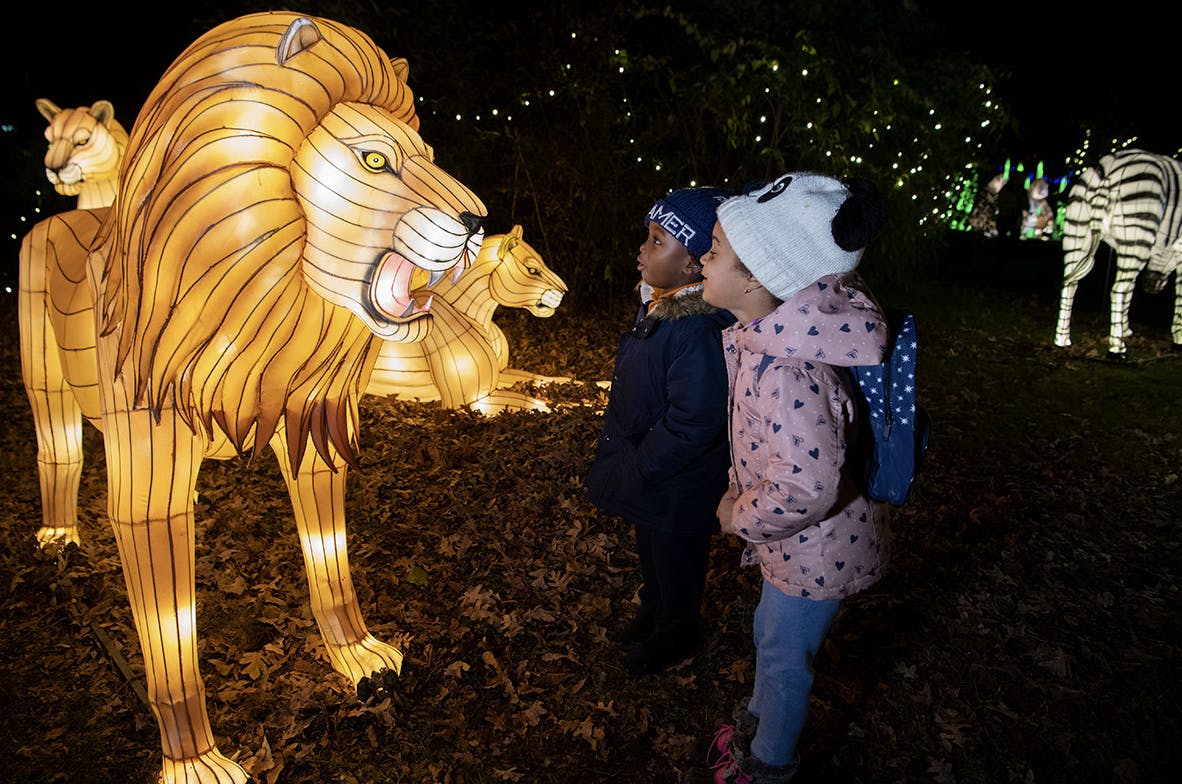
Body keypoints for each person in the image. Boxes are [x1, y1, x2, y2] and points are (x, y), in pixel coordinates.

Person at [688, 173, 891, 783]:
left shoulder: (786, 370)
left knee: (782, 659)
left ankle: (768, 764)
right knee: (770, 638)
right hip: (797, 544)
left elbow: (805, 486)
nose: (702, 258)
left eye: (715, 249)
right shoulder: (765, 342)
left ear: (756, 276)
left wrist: (738, 516)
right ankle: (759, 724)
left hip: (816, 550)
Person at [584, 185, 736, 677]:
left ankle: (676, 632)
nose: (642, 249)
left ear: (693, 263)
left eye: (657, 241)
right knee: (652, 548)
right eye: (647, 237)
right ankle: (654, 613)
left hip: (679, 479)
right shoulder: (658, 304)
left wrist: (645, 463)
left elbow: (696, 417)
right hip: (653, 472)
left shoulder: (698, 329)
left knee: (677, 558)